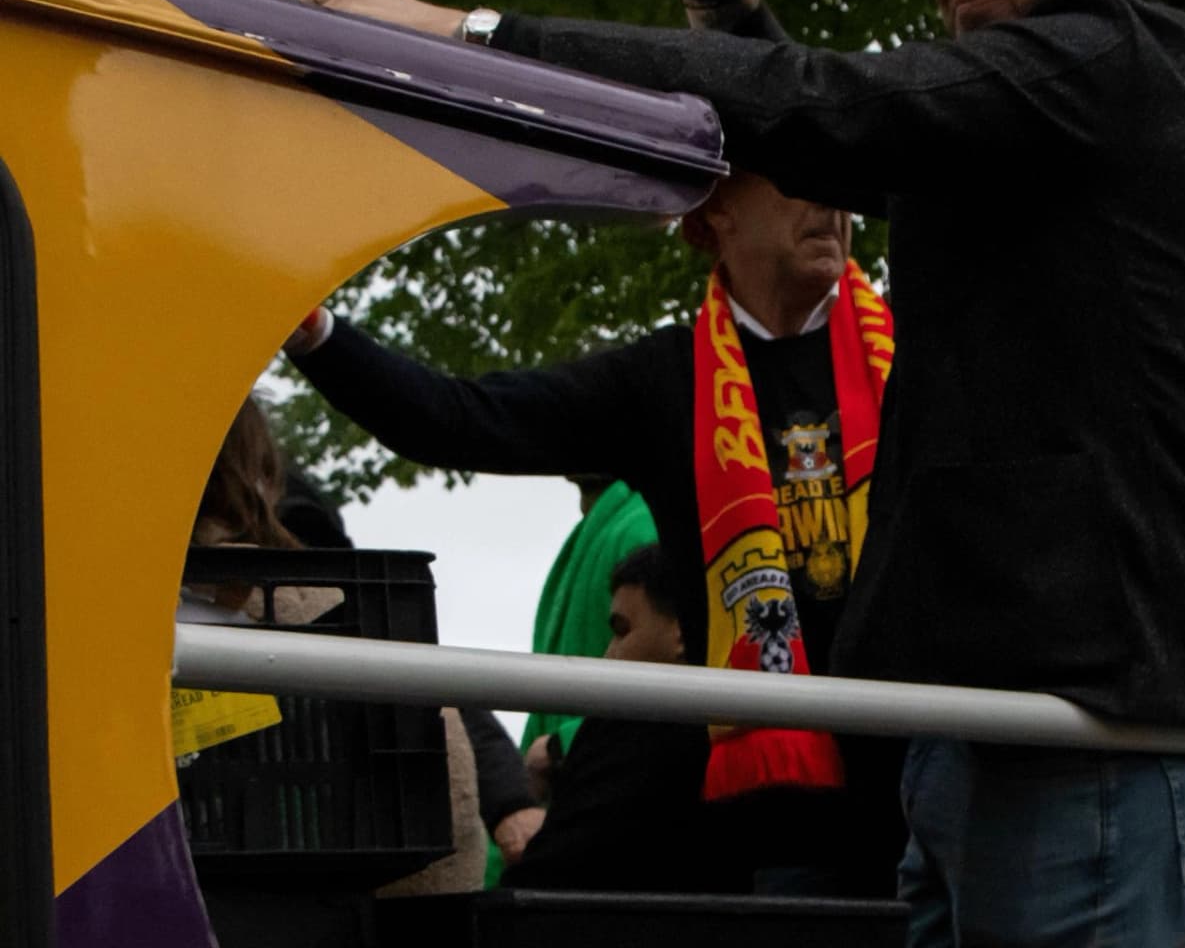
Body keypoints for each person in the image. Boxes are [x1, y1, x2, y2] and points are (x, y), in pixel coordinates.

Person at [303, 0, 1185, 945]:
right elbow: (823, 125)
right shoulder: (1023, 136)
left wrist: (456, 33)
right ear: (709, 227)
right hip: (969, 721)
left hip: (1088, 719)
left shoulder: (1119, 56)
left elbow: (833, 108)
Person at [283, 171, 902, 895]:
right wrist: (315, 332)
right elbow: (461, 418)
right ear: (718, 212)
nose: (831, 197)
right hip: (765, 821)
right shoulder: (665, 380)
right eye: (798, 176)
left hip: (927, 788)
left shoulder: (917, 359)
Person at [505, 543, 743, 893]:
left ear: (680, 632)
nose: (608, 654)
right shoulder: (747, 726)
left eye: (621, 630)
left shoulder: (630, 731)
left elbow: (556, 869)